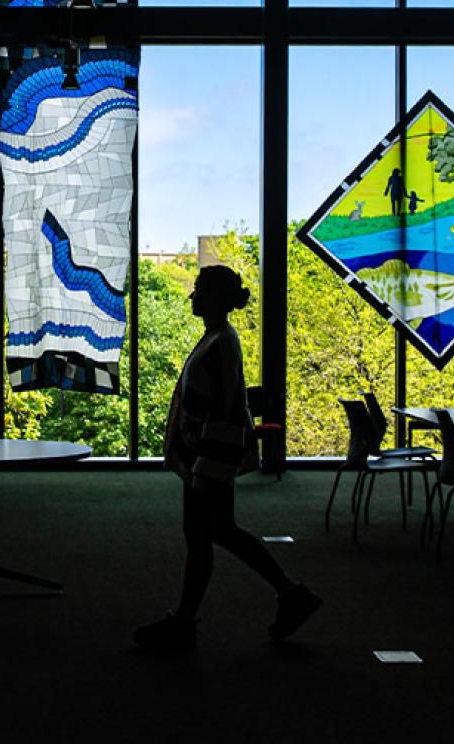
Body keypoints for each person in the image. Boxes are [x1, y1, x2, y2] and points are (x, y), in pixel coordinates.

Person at [133, 265, 321, 652]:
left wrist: (205, 467)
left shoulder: (219, 343)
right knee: (210, 534)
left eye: (199, 290)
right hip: (205, 459)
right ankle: (278, 596)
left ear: (217, 298)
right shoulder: (219, 338)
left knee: (212, 533)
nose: (193, 296)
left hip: (208, 460)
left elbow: (220, 411)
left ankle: (194, 620)